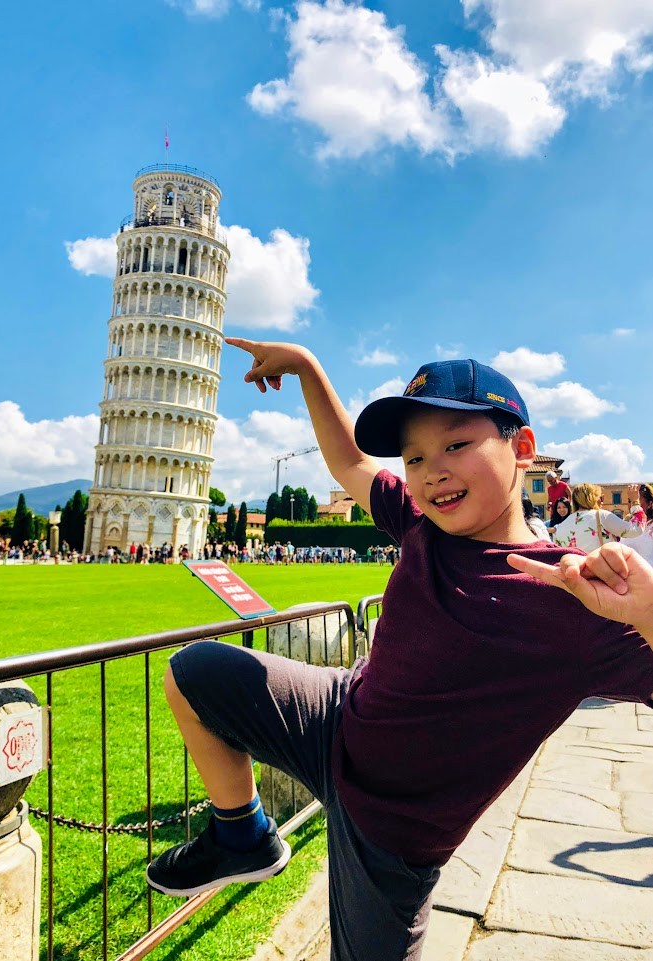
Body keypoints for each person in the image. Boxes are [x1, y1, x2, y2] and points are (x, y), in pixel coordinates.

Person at [146, 340, 653, 961]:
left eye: (455, 445)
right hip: (338, 719)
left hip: (391, 831)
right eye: (414, 457)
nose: (431, 470)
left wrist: (648, 613)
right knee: (194, 671)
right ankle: (241, 834)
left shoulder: (571, 596)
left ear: (522, 448)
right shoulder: (418, 521)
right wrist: (306, 365)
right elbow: (348, 461)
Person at [553, 482, 643, 554]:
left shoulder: (560, 527)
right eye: (600, 497)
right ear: (592, 498)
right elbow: (636, 530)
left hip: (575, 571)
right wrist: (635, 502)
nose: (601, 500)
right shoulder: (602, 516)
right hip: (601, 570)